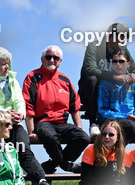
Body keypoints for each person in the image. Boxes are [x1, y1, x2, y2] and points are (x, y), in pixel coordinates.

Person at [0, 47, 53, 185]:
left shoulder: (13, 81)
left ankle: (41, 180)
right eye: (3, 64)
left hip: (13, 125)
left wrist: (21, 116)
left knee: (23, 147)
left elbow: (19, 102)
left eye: (8, 63)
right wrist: (5, 114)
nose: (7, 67)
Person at [22, 45, 90, 174]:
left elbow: (75, 107)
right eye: (48, 57)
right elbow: (28, 105)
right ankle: (67, 166)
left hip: (62, 123)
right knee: (49, 136)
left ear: (60, 61)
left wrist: (79, 128)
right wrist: (31, 132)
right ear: (42, 59)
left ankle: (52, 164)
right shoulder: (33, 77)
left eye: (56, 58)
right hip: (43, 122)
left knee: (83, 138)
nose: (52, 60)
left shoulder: (65, 79)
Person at [80, 21, 135, 136]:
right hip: (91, 91)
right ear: (110, 37)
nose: (123, 43)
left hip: (111, 93)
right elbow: (89, 69)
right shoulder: (95, 46)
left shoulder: (121, 48)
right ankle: (93, 123)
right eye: (121, 39)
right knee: (92, 79)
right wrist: (113, 77)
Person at [97, 49, 135, 145]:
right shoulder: (105, 83)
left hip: (131, 119)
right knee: (130, 125)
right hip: (111, 120)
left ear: (128, 64)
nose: (118, 64)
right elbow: (103, 111)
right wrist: (126, 116)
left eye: (121, 61)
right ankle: (117, 155)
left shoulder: (134, 83)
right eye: (115, 61)